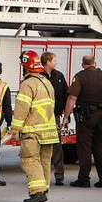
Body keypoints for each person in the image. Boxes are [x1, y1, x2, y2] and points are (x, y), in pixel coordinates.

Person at [10, 50, 59, 202]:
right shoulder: (47, 82)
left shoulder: (27, 84)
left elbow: (21, 109)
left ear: (25, 65)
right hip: (49, 132)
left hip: (33, 131)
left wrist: (14, 130)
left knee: (30, 160)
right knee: (44, 161)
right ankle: (43, 190)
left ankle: (37, 192)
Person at [62, 55, 102, 188]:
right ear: (95, 63)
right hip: (101, 117)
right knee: (100, 148)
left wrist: (66, 116)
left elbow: (72, 98)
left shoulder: (80, 77)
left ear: (83, 64)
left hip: (85, 118)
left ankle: (84, 179)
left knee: (84, 149)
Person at [41, 52, 69, 186]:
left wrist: (67, 116)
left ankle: (59, 176)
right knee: (41, 146)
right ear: (47, 61)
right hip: (40, 118)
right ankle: (40, 175)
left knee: (57, 146)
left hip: (55, 117)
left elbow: (66, 95)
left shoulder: (59, 76)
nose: (56, 62)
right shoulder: (39, 77)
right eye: (54, 60)